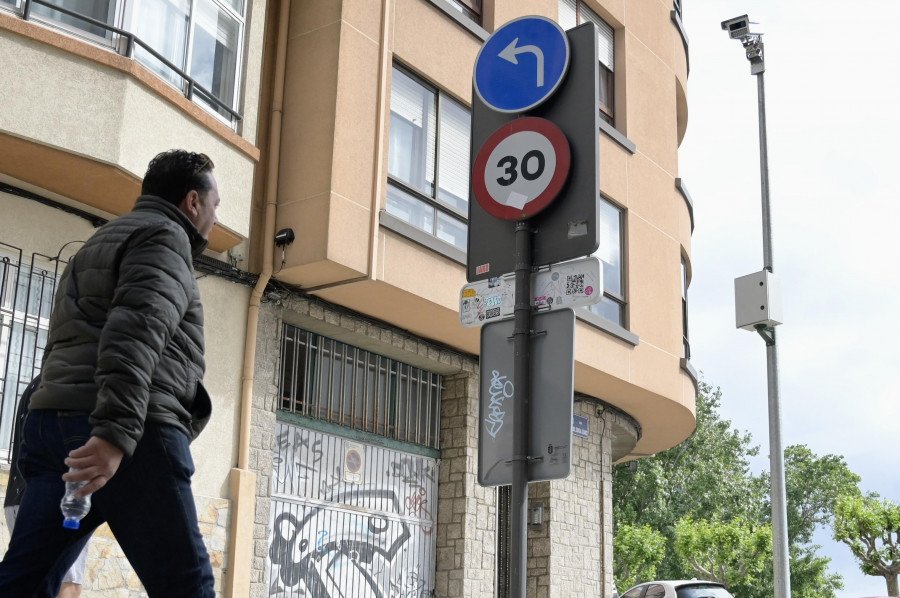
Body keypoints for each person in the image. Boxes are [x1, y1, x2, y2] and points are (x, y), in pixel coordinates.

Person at [0, 150, 220, 597]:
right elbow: (137, 329)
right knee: (187, 586)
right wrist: (115, 434)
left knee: (22, 583)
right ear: (193, 202)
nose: (216, 219)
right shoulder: (164, 238)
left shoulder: (99, 243)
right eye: (216, 205)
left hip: (54, 425)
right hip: (130, 434)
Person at [4, 374, 92, 598]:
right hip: (61, 501)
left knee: (25, 582)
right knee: (66, 587)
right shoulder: (75, 376)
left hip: (20, 497)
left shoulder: (43, 382)